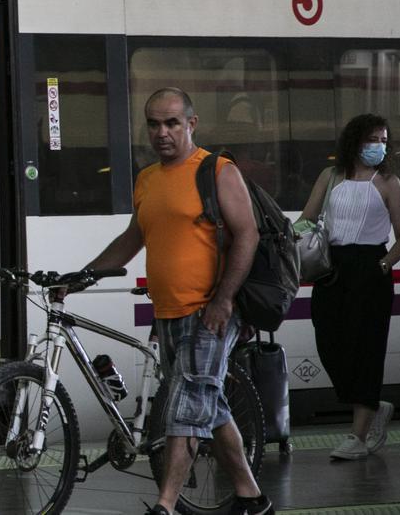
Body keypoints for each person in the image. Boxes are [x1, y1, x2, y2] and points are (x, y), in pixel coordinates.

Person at [73, 88, 271, 515]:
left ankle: (164, 506)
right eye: (153, 123)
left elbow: (248, 235)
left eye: (172, 123)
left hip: (210, 313)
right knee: (209, 407)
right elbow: (131, 239)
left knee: (184, 409)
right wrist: (81, 278)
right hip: (167, 314)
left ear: (191, 124)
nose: (161, 132)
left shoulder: (217, 171)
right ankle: (253, 498)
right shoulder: (148, 179)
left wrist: (223, 300)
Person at [297, 113, 400, 461]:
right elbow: (307, 218)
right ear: (355, 141)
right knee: (329, 341)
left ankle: (358, 435)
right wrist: (290, 235)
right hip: (332, 269)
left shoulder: (389, 182)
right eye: (372, 140)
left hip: (371, 269)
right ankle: (374, 405)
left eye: (383, 141)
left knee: (366, 349)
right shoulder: (330, 177)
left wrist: (382, 265)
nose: (379, 146)